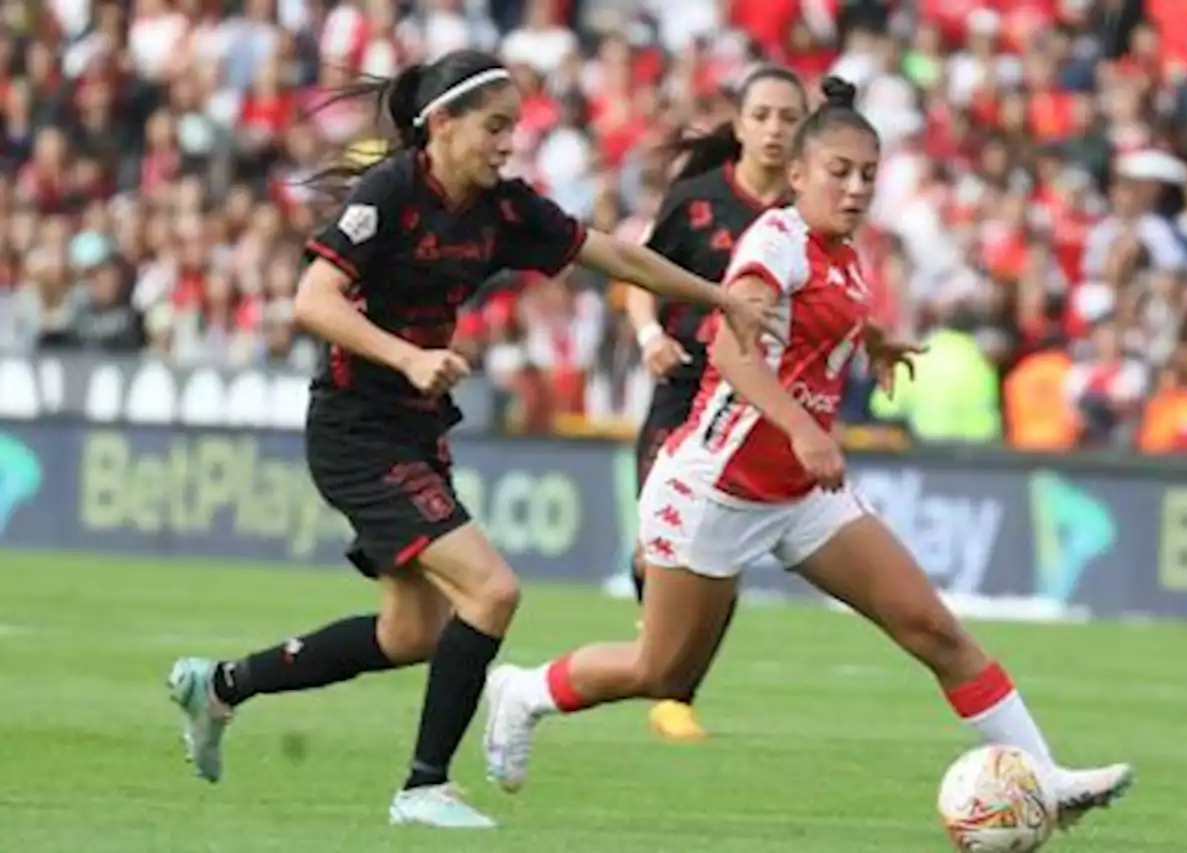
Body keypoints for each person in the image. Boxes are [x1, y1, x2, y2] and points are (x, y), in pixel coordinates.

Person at [481, 77, 1134, 830]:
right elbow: (730, 350)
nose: (855, 188)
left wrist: (878, 342)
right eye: (839, 172)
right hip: (715, 487)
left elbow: (824, 324)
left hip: (800, 497)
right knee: (659, 669)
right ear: (797, 174)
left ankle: (1046, 780)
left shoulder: (845, 254)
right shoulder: (774, 243)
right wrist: (802, 427)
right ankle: (523, 691)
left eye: (867, 175)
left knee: (932, 627)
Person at [164, 49, 776, 830]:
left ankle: (218, 686)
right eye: (494, 126)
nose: (507, 142)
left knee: (411, 631)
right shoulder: (391, 192)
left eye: (513, 128)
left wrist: (718, 295)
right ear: (442, 124)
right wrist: (408, 354)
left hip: (415, 429)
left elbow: (613, 253)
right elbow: (313, 299)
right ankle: (423, 786)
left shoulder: (504, 208)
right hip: (356, 427)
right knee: (493, 591)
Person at [626, 63, 807, 741]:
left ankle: (677, 692)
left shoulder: (802, 217)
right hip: (682, 395)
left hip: (751, 408)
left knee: (719, 560)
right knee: (655, 550)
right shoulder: (697, 198)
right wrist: (648, 334)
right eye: (761, 115)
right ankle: (660, 661)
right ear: (738, 122)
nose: (773, 129)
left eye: (788, 118)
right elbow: (638, 275)